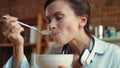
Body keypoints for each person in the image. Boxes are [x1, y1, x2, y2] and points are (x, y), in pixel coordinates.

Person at [2, 0, 120, 68]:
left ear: (82, 20)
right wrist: (18, 45)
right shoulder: (52, 56)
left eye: (59, 17)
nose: (51, 25)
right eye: (49, 20)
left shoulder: (114, 55)